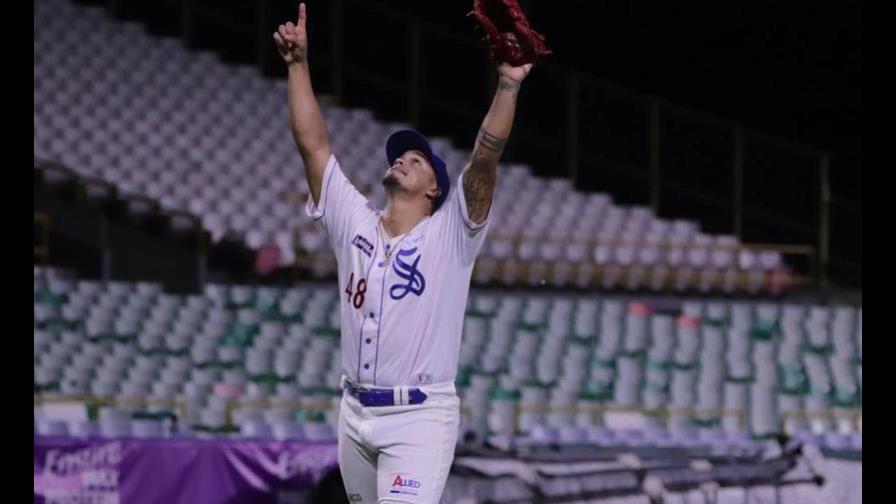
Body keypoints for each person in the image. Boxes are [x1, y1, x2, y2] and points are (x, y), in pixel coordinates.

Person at [274, 4, 532, 502]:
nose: (402, 160)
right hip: (354, 412)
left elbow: (484, 159)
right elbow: (314, 148)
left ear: (435, 189)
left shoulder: (451, 233)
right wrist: (298, 65)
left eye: (417, 160)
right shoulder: (354, 221)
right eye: (399, 155)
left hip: (418, 416)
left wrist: (508, 85)